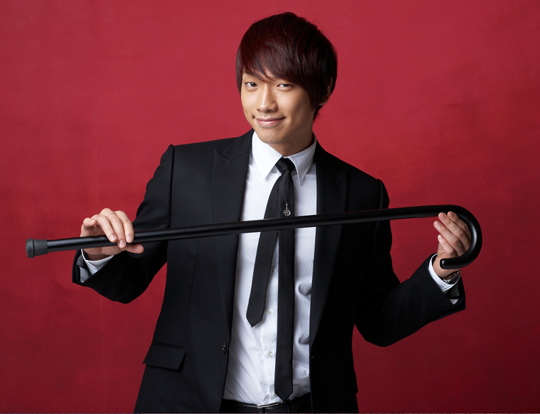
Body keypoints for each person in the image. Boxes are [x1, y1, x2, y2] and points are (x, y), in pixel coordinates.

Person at [73, 12, 471, 413]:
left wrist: (441, 272)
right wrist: (97, 253)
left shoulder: (361, 194)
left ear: (323, 89)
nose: (264, 103)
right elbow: (128, 282)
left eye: (283, 85)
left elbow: (378, 321)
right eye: (251, 84)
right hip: (188, 402)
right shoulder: (187, 171)